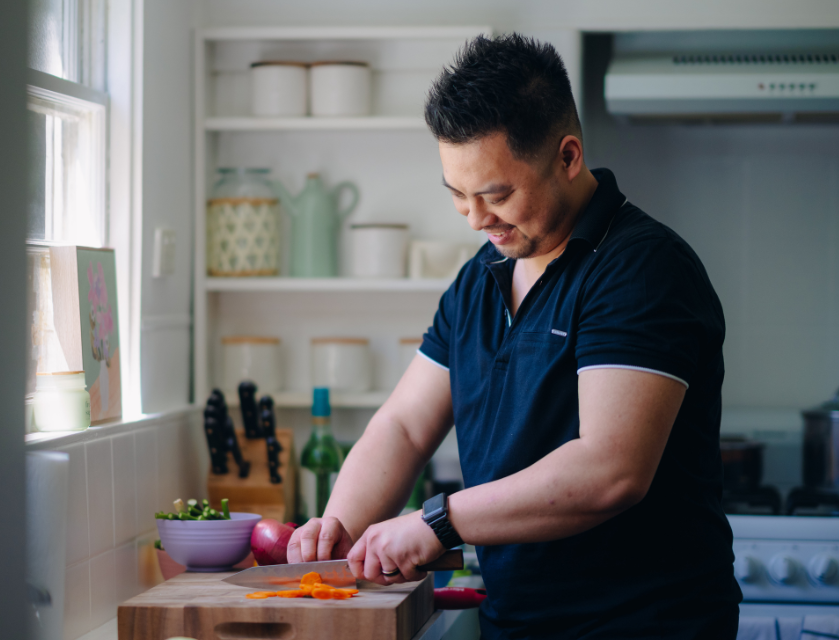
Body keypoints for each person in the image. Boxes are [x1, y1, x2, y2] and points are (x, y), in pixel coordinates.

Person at [286, 33, 741, 638]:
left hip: (642, 625)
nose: (476, 219)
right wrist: (339, 523)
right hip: (518, 625)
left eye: (496, 195)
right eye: (458, 196)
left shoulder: (641, 268)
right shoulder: (480, 278)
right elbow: (403, 424)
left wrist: (436, 522)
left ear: (568, 156)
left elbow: (610, 469)